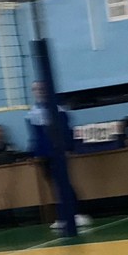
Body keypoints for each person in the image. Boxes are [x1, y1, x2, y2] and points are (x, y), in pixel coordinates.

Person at [27, 81, 91, 230]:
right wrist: (33, 153)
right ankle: (63, 216)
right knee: (55, 186)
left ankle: (76, 214)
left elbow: (66, 131)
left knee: (64, 184)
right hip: (44, 155)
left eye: (41, 88)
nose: (39, 91)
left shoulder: (58, 109)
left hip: (58, 153)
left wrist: (68, 148)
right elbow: (35, 136)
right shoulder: (32, 113)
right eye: (35, 89)